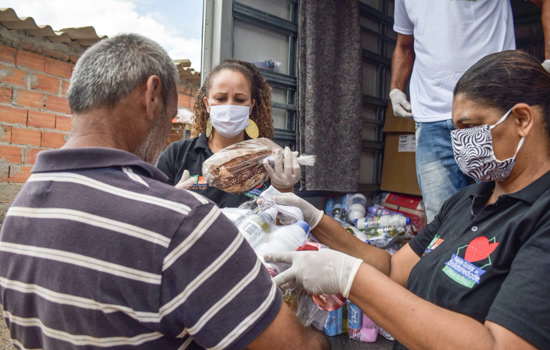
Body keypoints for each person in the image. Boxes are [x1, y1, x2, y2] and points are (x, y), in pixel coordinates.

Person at [0, 34, 329, 350]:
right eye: (172, 109)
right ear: (152, 94)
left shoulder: (17, 214)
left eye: (239, 99)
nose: (171, 120)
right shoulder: (180, 222)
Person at [266, 50, 550, 349]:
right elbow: (393, 271)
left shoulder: (541, 215)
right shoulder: (467, 199)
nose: (461, 143)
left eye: (471, 127)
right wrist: (316, 220)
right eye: (457, 130)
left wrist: (349, 277)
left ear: (522, 119)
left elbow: (501, 345)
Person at [389, 0, 549, 223]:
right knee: (441, 221)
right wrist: (396, 88)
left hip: (493, 112)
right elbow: (404, 45)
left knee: (509, 215)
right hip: (430, 120)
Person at [157, 59, 300, 208]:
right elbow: (153, 216)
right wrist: (170, 202)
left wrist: (285, 189)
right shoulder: (176, 155)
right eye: (221, 98)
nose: (230, 106)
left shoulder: (268, 160)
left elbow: (284, 222)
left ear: (250, 106)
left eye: (239, 99)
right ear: (207, 105)